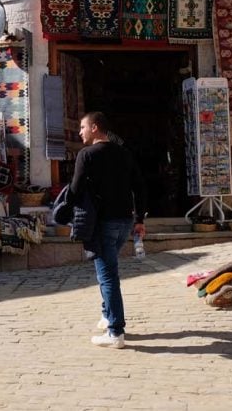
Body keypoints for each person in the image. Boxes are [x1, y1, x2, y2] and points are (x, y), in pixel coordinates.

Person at [70, 111, 146, 349]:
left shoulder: (86, 155)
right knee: (108, 270)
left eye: (82, 127)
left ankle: (116, 332)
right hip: (125, 220)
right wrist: (140, 218)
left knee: (108, 276)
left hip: (103, 223)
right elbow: (139, 187)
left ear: (94, 128)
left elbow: (75, 189)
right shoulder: (124, 153)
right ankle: (107, 315)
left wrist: (65, 210)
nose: (79, 132)